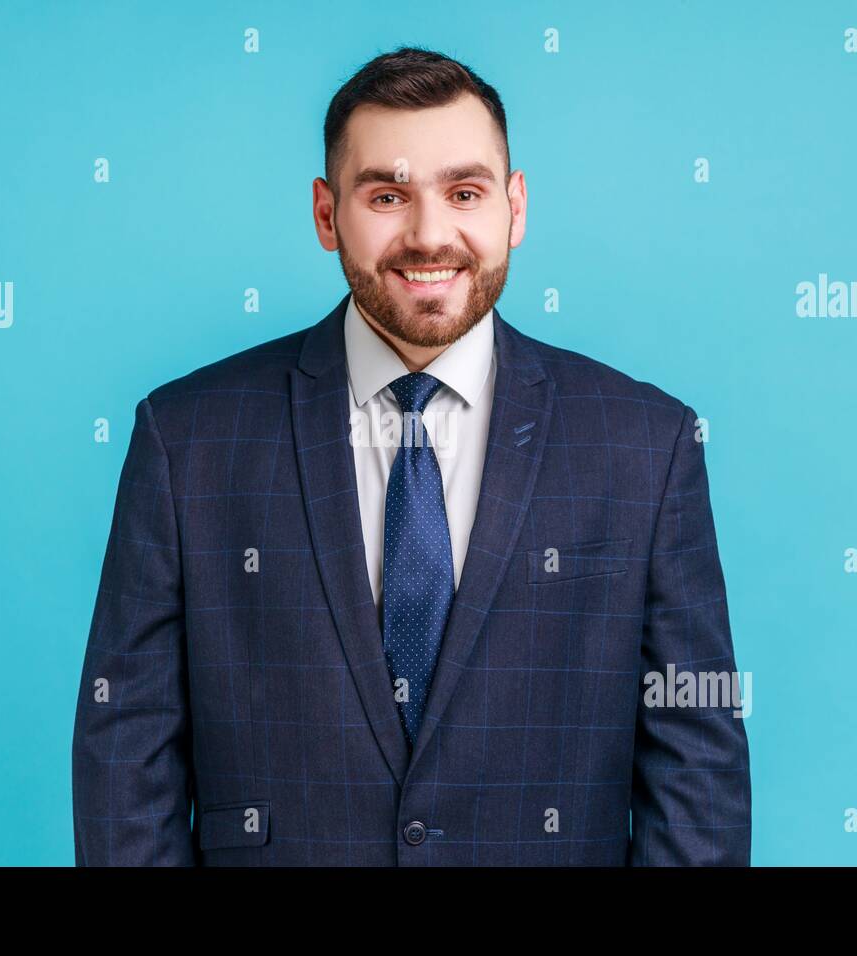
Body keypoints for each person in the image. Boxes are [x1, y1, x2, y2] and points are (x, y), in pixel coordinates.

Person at [71, 46, 750, 866]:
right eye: (387, 196)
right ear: (327, 215)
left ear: (516, 206)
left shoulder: (650, 445)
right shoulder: (186, 441)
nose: (430, 235)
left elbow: (697, 779)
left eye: (464, 192)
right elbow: (124, 766)